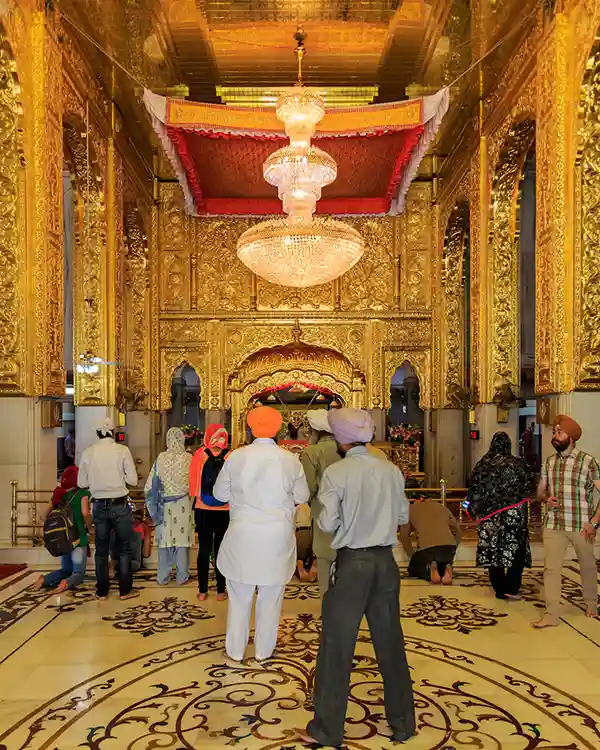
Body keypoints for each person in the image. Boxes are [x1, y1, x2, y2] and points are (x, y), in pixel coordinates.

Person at [297, 408, 415, 747]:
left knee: (337, 646)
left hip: (353, 565)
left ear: (340, 438)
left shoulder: (338, 472)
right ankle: (403, 723)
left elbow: (327, 524)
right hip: (386, 563)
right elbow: (403, 514)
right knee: (391, 642)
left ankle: (327, 729)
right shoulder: (391, 470)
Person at [214, 406, 310, 663]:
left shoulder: (235, 457)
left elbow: (220, 494)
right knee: (271, 596)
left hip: (243, 534)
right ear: (278, 429)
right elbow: (303, 496)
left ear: (250, 427)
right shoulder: (290, 459)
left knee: (240, 595)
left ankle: (235, 650)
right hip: (276, 536)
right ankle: (263, 651)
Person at [534, 415, 600, 628]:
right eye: (554, 432)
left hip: (582, 525)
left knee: (588, 566)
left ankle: (591, 603)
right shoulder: (549, 462)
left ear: (570, 437)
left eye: (559, 432)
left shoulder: (588, 462)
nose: (554, 436)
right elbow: (540, 491)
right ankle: (551, 614)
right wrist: (545, 498)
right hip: (554, 524)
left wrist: (594, 523)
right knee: (551, 569)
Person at [466, 432, 532, 600]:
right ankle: (512, 586)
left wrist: (471, 508)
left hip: (490, 516)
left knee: (493, 550)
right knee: (515, 549)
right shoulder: (517, 464)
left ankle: (499, 588)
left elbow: (474, 488)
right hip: (514, 514)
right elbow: (528, 486)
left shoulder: (482, 465)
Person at [79, 418, 138, 600]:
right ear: (113, 432)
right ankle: (125, 591)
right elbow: (133, 480)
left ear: (97, 433)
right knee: (123, 549)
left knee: (101, 551)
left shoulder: (89, 453)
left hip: (98, 505)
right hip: (119, 504)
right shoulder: (122, 450)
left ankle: (102, 591)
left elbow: (81, 482)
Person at [299, 409, 341, 596]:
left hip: (324, 514)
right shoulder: (347, 449)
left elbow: (307, 490)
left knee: (324, 559)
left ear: (315, 431)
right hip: (351, 514)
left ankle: (329, 607)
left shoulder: (311, 452)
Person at [145, 427, 194, 586]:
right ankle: (182, 576)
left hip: (164, 505)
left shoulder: (161, 458)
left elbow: (149, 486)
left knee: (165, 541)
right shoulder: (189, 458)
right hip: (183, 505)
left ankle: (163, 577)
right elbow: (194, 485)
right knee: (181, 543)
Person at [34, 466, 92, 593]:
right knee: (78, 573)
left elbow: (42, 516)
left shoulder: (59, 494)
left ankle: (45, 579)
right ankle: (66, 583)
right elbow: (85, 512)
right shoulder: (83, 494)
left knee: (66, 569)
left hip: (63, 538)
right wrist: (90, 526)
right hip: (78, 538)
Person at [189, 424, 230, 602]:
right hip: (225, 509)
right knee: (221, 550)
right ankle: (221, 590)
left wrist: (200, 497)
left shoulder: (200, 454)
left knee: (204, 549)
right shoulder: (230, 455)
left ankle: (203, 590)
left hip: (203, 508)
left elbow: (193, 483)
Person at [400, 497, 461, 584]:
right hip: (448, 549)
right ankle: (446, 568)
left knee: (413, 569)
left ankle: (429, 572)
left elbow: (404, 537)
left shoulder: (410, 510)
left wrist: (412, 556)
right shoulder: (442, 507)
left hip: (428, 551)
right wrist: (454, 547)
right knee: (441, 563)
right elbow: (458, 531)